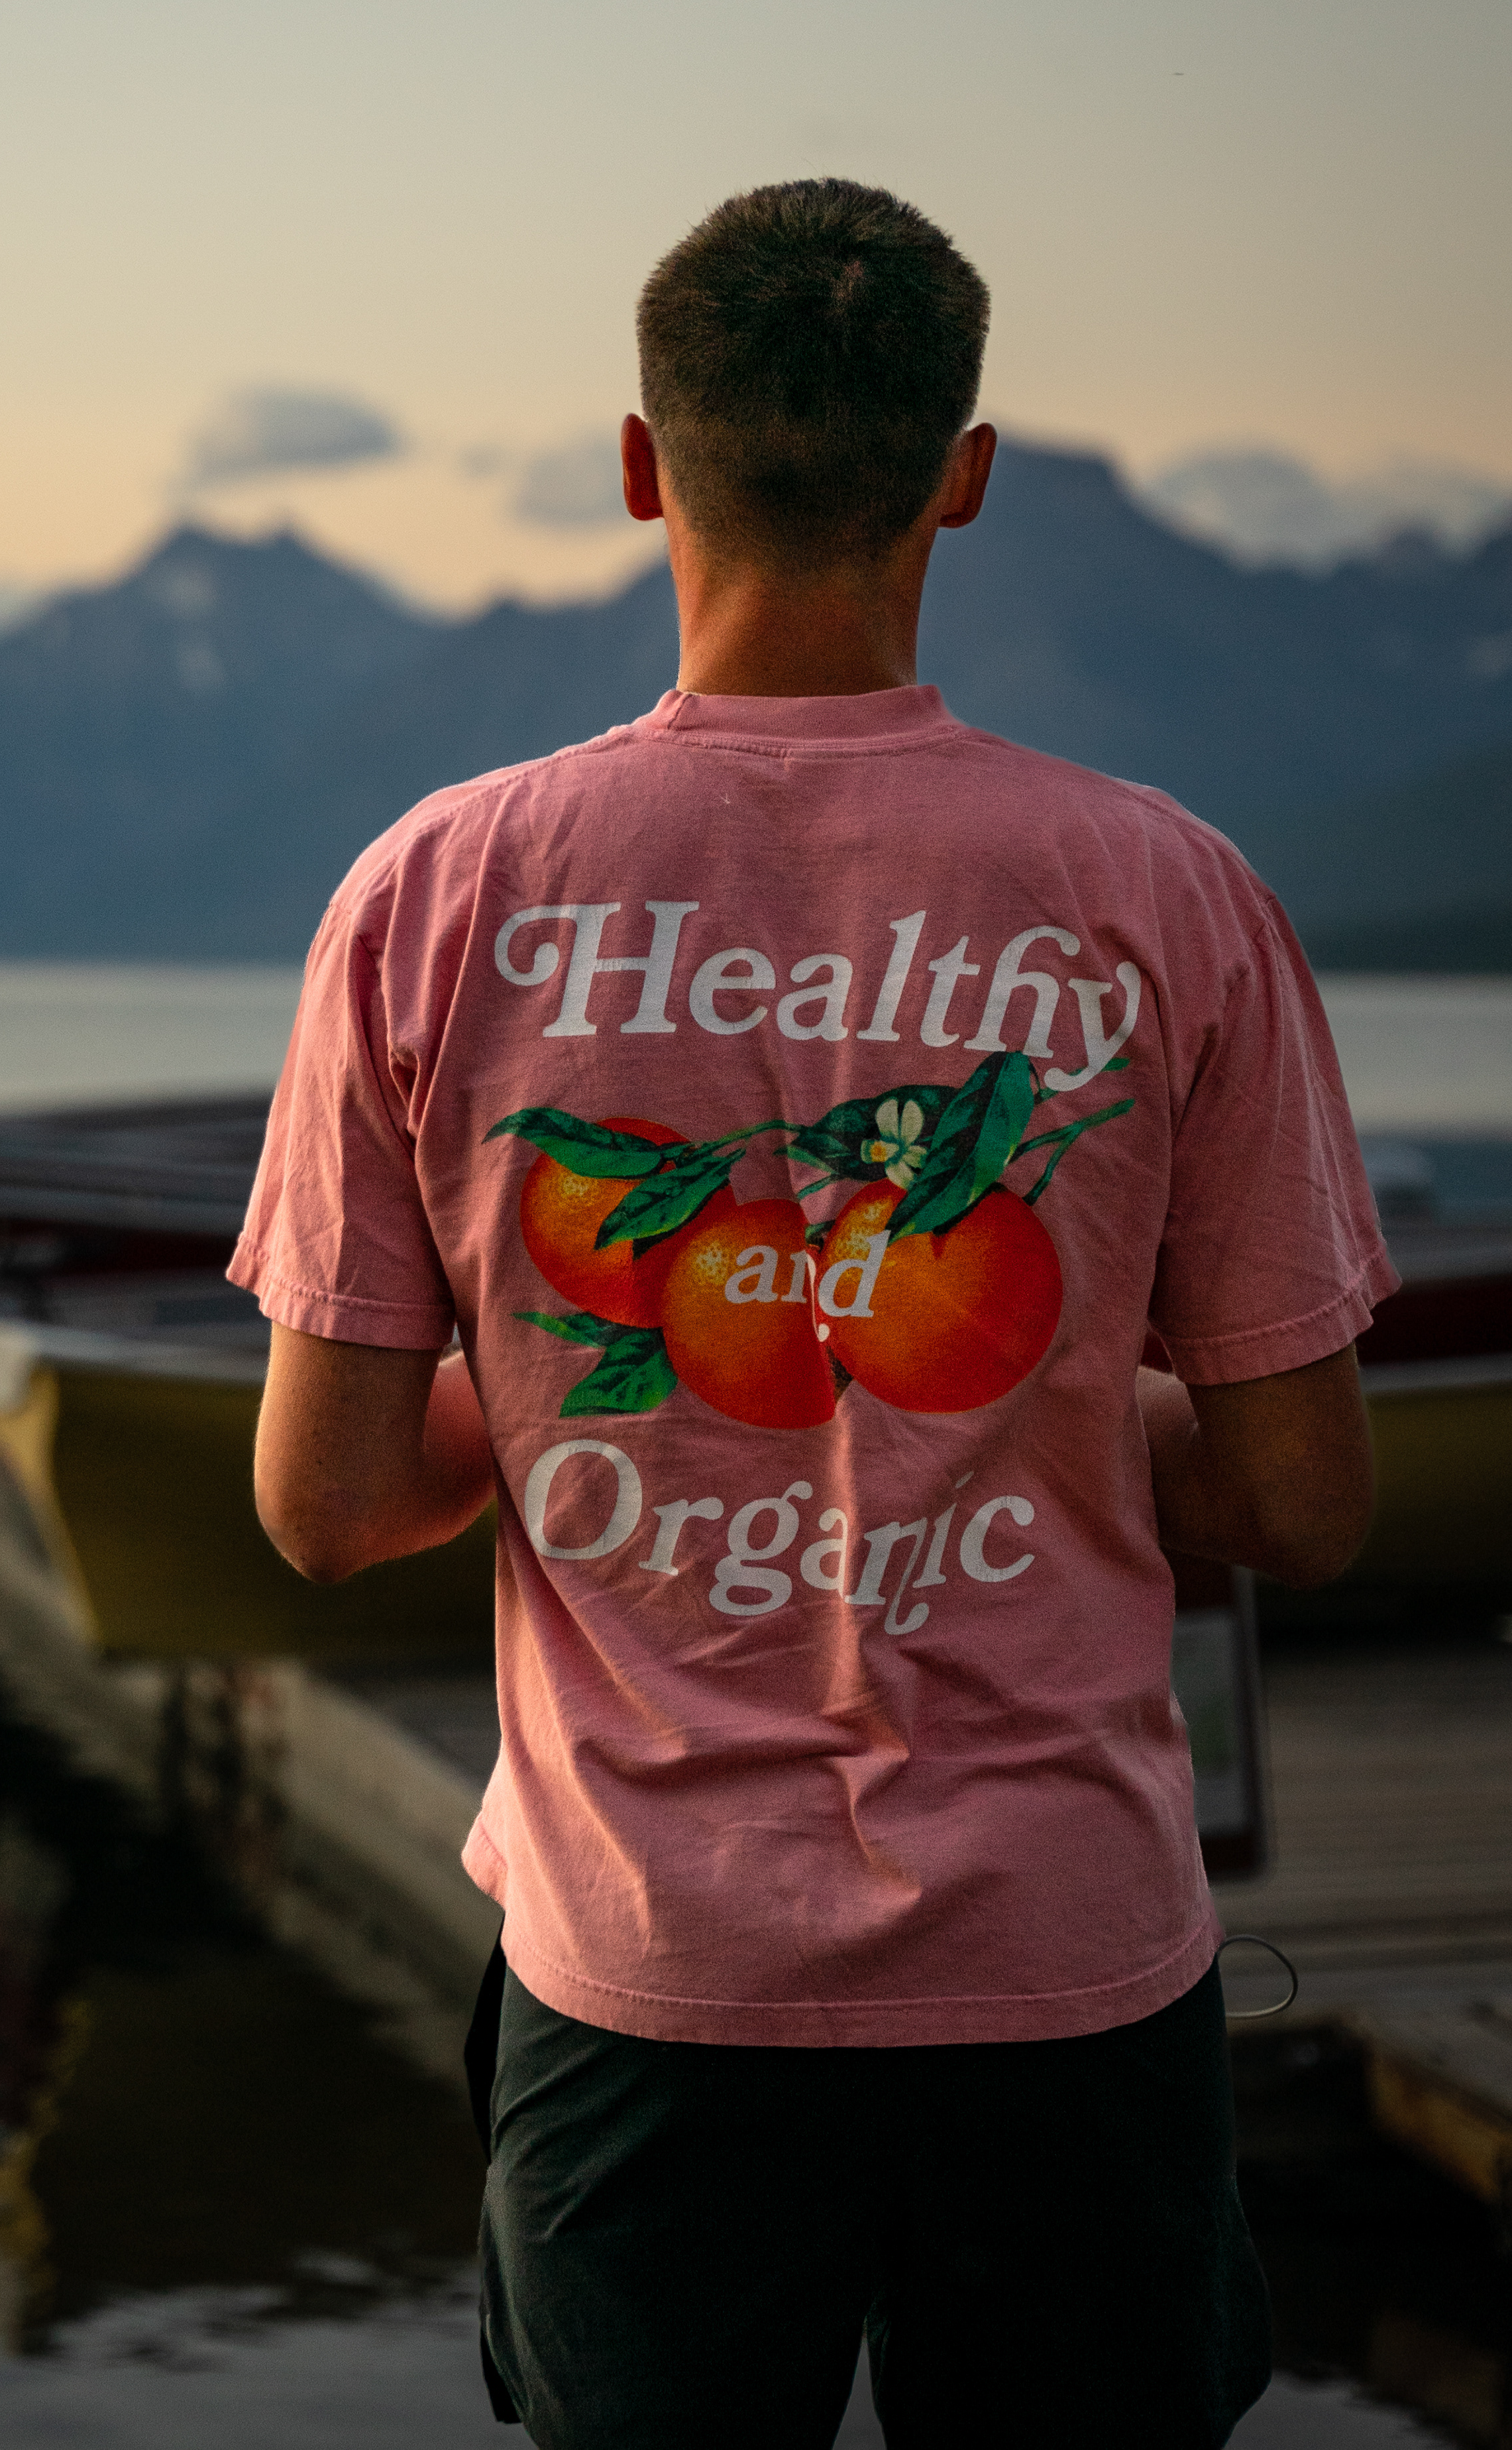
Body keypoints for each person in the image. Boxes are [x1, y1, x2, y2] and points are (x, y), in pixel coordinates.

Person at [228, 178, 1387, 2450]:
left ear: (641, 464)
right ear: (963, 472)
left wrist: (580, 1400)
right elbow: (1303, 1500)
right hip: (1065, 1971)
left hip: (649, 1977)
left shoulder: (434, 895)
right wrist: (1046, 1408)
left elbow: (325, 1505)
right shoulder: (1168, 892)